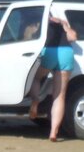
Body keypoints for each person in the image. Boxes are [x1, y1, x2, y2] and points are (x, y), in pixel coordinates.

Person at [27, 13, 78, 141]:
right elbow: (73, 37)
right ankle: (53, 133)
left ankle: (35, 102)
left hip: (49, 51)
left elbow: (29, 37)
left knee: (36, 78)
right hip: (66, 52)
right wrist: (64, 24)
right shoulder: (61, 23)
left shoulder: (40, 21)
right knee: (59, 95)